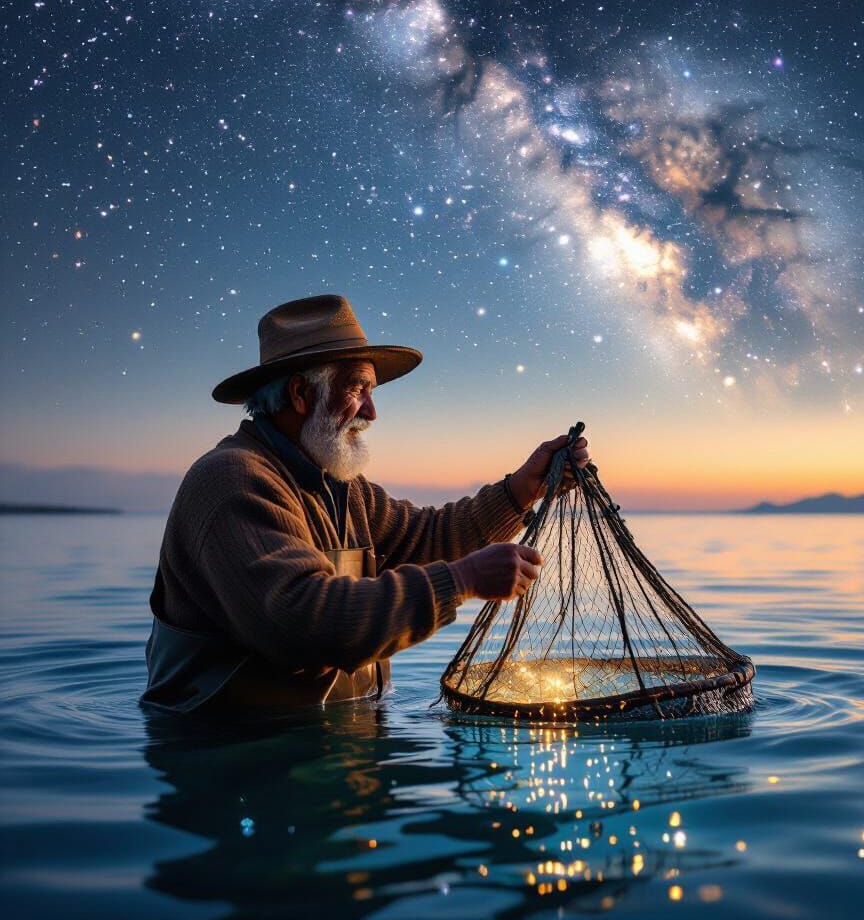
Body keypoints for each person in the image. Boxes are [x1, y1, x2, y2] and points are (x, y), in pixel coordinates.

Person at [141, 294, 590, 714]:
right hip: (229, 762)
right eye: (358, 388)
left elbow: (427, 537)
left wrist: (522, 489)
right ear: (300, 394)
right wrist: (463, 580)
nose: (372, 412)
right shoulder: (233, 480)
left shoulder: (342, 486)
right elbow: (303, 622)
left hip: (327, 754)